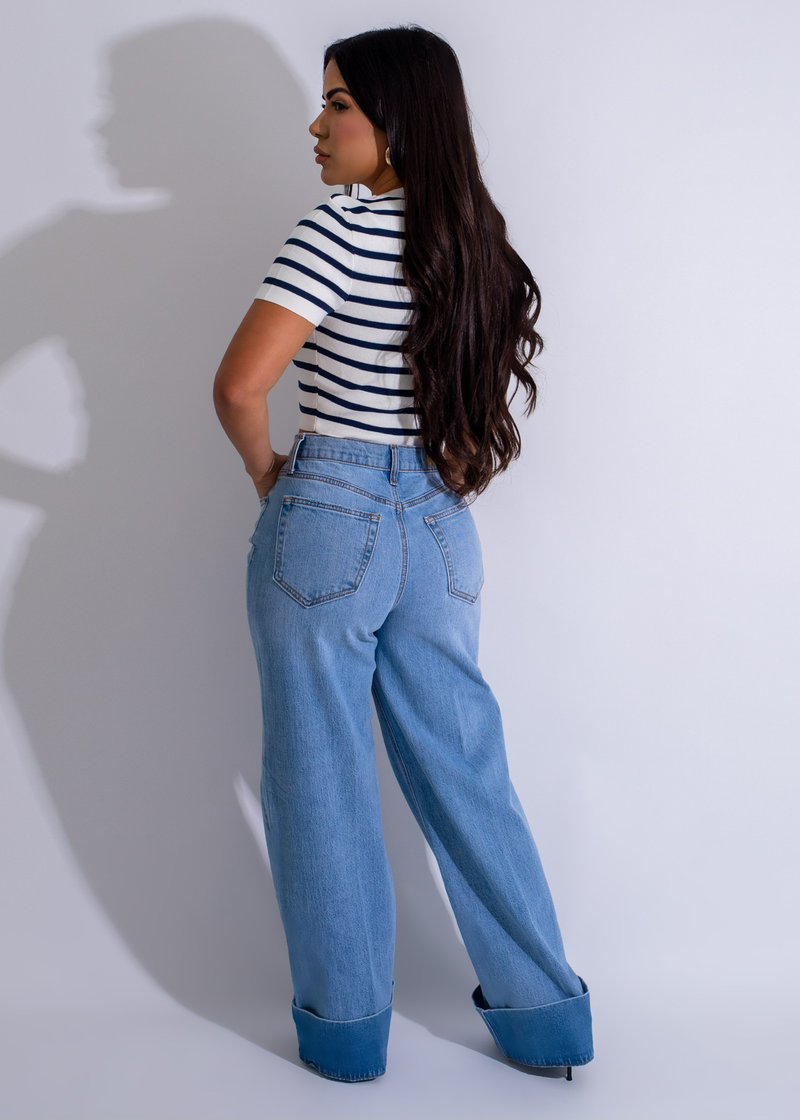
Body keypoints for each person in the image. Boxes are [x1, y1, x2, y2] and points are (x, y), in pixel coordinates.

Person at [213, 24, 593, 1084]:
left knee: (319, 779)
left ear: (396, 120)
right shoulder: (471, 242)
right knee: (467, 769)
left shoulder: (336, 231)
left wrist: (268, 477)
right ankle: (546, 1020)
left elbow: (238, 386)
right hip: (438, 525)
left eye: (337, 103)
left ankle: (345, 1039)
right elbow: (466, 415)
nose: (317, 123)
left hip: (327, 511)